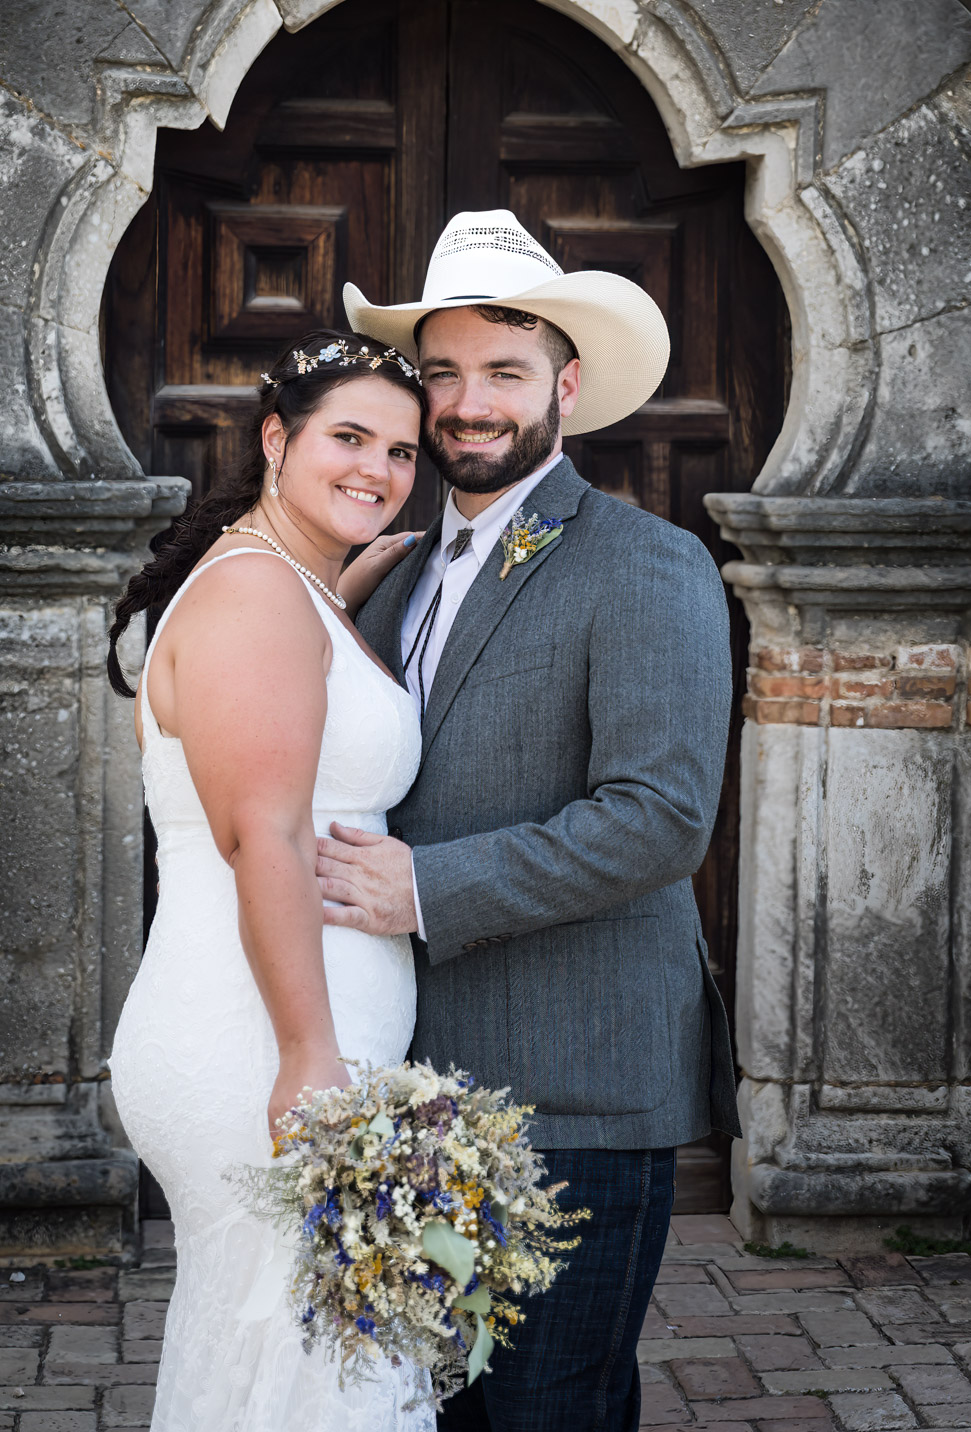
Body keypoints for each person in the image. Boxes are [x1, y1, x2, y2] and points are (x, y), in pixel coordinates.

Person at [314, 210, 740, 1432]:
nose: (467, 402)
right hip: (420, 1084)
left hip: (583, 1083)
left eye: (503, 371)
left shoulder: (647, 564)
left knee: (549, 1410)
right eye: (441, 373)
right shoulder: (392, 571)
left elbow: (659, 818)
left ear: (565, 384)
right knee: (445, 1409)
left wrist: (426, 891)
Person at [105, 330, 435, 1432]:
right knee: (305, 1370)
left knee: (285, 1366)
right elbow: (265, 838)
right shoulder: (256, 599)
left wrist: (338, 585)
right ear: (276, 438)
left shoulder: (290, 588)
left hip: (286, 1034)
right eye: (349, 438)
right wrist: (308, 1057)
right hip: (262, 1042)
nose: (379, 471)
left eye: (401, 452)